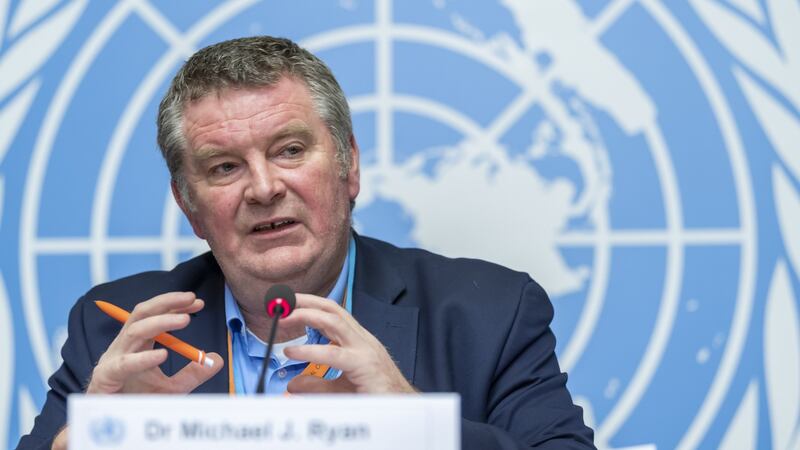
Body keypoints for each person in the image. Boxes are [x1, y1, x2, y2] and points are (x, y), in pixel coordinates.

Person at [17, 36, 595, 449]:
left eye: (290, 150)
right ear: (188, 206)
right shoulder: (118, 327)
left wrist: (413, 423)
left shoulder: (488, 313)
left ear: (349, 168)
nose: (264, 188)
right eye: (223, 168)